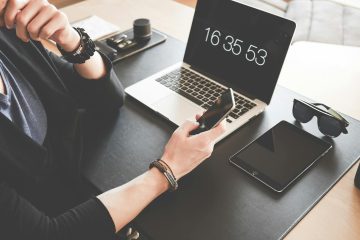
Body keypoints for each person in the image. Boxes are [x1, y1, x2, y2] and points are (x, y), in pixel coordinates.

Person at [0, 0, 226, 239]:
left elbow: (106, 98)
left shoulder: (9, 37)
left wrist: (71, 39)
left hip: (74, 189)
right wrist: (168, 170)